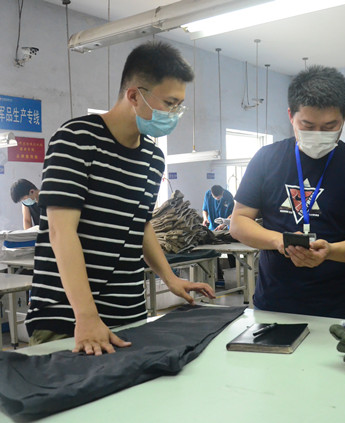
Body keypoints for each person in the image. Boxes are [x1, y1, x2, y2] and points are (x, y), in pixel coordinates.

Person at [25, 41, 215, 355]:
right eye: (169, 103)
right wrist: (86, 316)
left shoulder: (153, 158)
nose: (174, 114)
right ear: (134, 95)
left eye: (179, 105)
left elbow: (140, 223)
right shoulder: (76, 140)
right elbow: (61, 232)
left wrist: (169, 278)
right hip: (69, 319)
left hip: (129, 314)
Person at [230, 65, 345, 319]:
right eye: (307, 125)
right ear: (291, 116)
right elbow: (239, 222)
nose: (318, 135)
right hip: (273, 302)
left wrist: (331, 251)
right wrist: (278, 241)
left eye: (330, 126)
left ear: (344, 118)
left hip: (334, 306)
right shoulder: (266, 158)